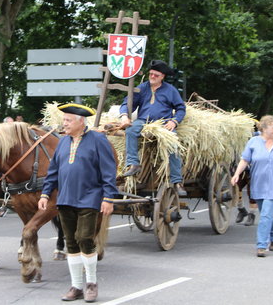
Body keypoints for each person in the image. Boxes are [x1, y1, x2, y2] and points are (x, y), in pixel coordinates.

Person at [38, 103, 117, 302]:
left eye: (67, 120)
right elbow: (53, 171)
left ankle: (91, 284)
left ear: (80, 122)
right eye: (63, 120)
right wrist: (45, 194)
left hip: (90, 198)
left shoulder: (98, 140)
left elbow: (109, 171)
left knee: (84, 239)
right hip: (65, 199)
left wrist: (108, 198)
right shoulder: (63, 142)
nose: (63, 124)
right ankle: (76, 286)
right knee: (71, 242)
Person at [231, 115, 273, 258]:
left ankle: (261, 245)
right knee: (265, 214)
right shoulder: (253, 142)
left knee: (266, 214)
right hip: (259, 183)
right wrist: (237, 174)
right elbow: (245, 160)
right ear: (264, 128)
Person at [119, 60, 187, 196]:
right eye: (151, 74)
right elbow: (127, 102)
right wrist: (124, 116)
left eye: (156, 75)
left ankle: (177, 181)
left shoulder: (170, 90)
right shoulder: (142, 88)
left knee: (173, 143)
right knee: (131, 130)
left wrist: (174, 122)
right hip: (143, 121)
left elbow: (181, 108)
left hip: (163, 123)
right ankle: (134, 164)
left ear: (162, 76)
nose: (152, 77)